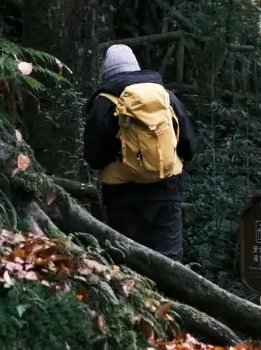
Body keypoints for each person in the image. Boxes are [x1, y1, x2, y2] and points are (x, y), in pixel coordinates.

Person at [83, 44, 197, 261]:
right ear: (136, 67)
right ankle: (170, 294)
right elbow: (189, 146)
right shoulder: (165, 97)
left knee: (128, 258)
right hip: (166, 187)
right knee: (169, 259)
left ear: (107, 73)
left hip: (122, 193)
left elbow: (93, 157)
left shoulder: (104, 103)